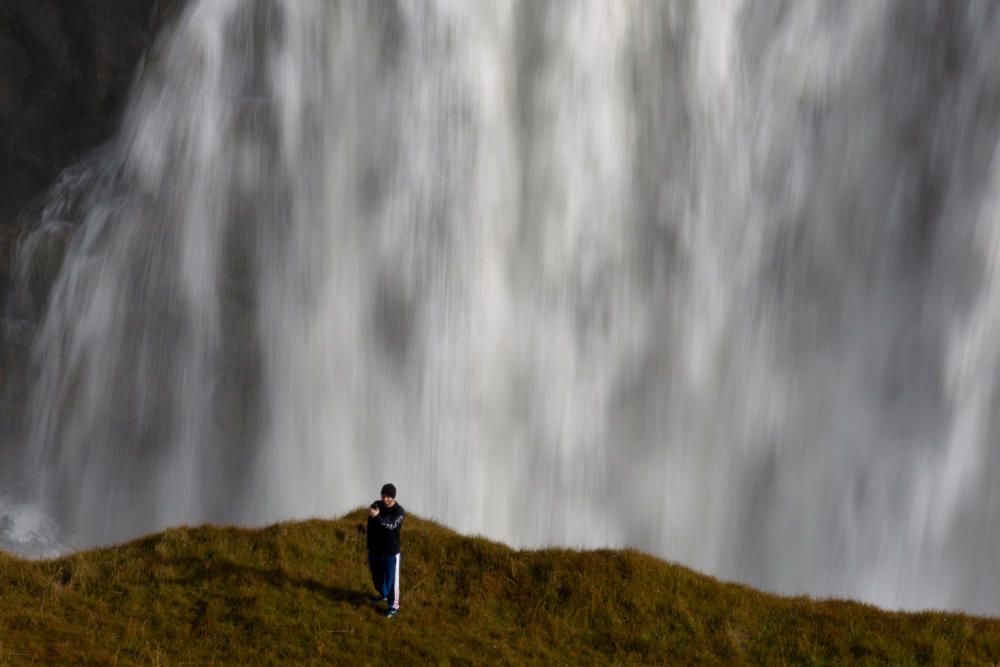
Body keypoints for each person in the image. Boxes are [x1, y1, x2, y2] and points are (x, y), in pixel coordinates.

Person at [367, 482, 405, 618]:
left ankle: (393, 607)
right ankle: (382, 595)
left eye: (388, 496)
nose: (385, 499)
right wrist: (370, 546)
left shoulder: (399, 511)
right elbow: (371, 527)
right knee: (376, 578)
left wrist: (377, 517)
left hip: (391, 553)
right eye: (383, 495)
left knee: (391, 582)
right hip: (375, 550)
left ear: (393, 497)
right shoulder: (376, 505)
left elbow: (392, 525)